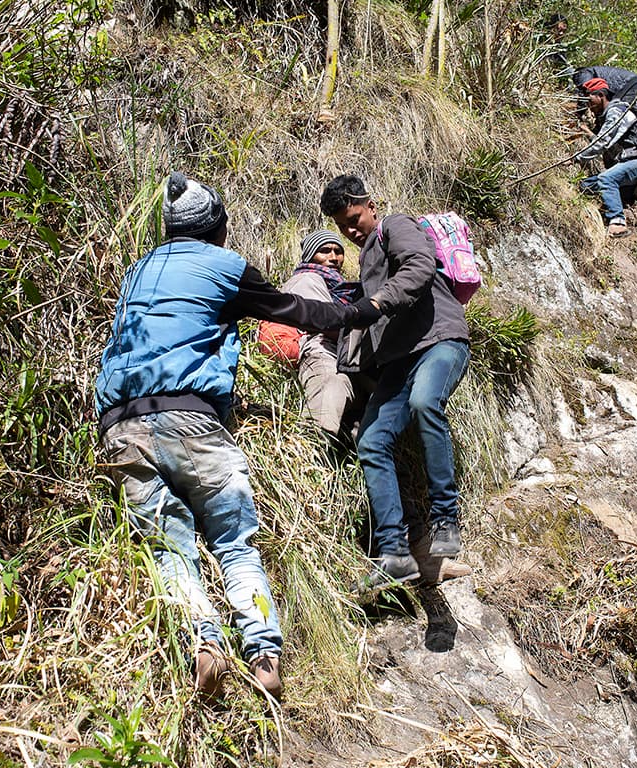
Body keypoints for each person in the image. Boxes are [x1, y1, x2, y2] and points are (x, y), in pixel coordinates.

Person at [95, 172, 380, 701]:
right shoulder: (224, 266)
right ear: (218, 228)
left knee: (170, 548)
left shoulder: (138, 271)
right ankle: (265, 653)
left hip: (120, 425)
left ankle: (202, 644)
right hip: (192, 421)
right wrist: (356, 311)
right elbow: (293, 310)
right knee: (235, 543)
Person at [319, 174, 471, 592]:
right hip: (400, 362)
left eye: (353, 218)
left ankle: (445, 521)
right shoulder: (366, 261)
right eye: (341, 225)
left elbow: (420, 267)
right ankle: (394, 554)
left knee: (425, 403)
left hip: (440, 341)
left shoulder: (396, 226)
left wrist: (378, 302)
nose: (350, 230)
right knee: (370, 440)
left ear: (370, 204)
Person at [257, 230, 369, 442]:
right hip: (322, 351)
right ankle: (307, 451)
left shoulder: (337, 286)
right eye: (324, 251)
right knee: (329, 392)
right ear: (310, 255)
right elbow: (325, 321)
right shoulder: (307, 279)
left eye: (338, 251)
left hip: (346, 354)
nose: (333, 257)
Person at [573, 77, 637, 237]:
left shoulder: (616, 112)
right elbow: (605, 141)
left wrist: (577, 158)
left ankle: (618, 223)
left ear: (601, 95)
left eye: (590, 99)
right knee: (586, 185)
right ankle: (629, 193)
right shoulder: (609, 115)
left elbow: (602, 142)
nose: (589, 106)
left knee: (606, 179)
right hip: (630, 164)